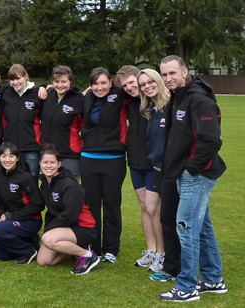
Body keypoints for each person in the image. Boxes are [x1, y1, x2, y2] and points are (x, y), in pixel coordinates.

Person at [158, 55, 227, 302]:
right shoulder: (179, 96)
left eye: (173, 73)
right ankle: (212, 279)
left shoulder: (199, 99)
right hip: (184, 173)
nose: (168, 79)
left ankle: (186, 287)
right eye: (164, 74)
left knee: (185, 229)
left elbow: (211, 140)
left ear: (185, 72)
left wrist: (191, 169)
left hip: (196, 176)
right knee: (202, 228)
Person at [80, 67, 131, 263]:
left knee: (111, 204)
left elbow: (138, 87)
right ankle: (94, 246)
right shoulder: (86, 98)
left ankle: (111, 248)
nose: (99, 87)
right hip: (88, 158)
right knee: (91, 205)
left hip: (114, 159)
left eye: (103, 83)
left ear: (111, 83)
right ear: (90, 84)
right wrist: (46, 87)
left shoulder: (121, 95)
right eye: (95, 83)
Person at [116, 65, 164, 270]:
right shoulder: (127, 101)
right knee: (144, 207)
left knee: (154, 208)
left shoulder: (157, 102)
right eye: (124, 85)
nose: (129, 87)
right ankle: (151, 250)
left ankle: (162, 253)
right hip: (135, 162)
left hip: (154, 163)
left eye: (132, 83)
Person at [141, 68, 182, 283]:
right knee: (165, 217)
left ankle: (174, 267)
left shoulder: (172, 106)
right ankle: (172, 266)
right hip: (157, 170)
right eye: (143, 84)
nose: (147, 86)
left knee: (174, 219)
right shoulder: (152, 109)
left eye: (150, 81)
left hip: (173, 172)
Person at [35, 144, 99, 275]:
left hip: (84, 228)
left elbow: (70, 216)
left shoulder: (69, 184)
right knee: (43, 261)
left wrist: (49, 231)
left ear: (59, 164)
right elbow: (51, 213)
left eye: (52, 162)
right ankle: (76, 249)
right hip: (66, 227)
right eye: (45, 162)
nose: (48, 166)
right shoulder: (45, 184)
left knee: (48, 239)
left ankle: (88, 255)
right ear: (40, 163)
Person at [0, 142, 45, 264]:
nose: (7, 160)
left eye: (11, 156)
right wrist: (3, 215)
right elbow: (0, 201)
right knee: (1, 255)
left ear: (18, 158)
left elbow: (38, 205)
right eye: (4, 156)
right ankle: (30, 240)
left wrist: (11, 216)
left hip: (30, 221)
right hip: (11, 219)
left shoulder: (26, 177)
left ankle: (28, 250)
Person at [39, 65, 83, 180]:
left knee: (70, 191)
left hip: (69, 155)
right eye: (56, 81)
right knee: (51, 192)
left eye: (64, 81)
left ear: (71, 81)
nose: (60, 85)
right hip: (48, 155)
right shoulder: (48, 96)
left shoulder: (79, 100)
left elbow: (85, 126)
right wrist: (41, 87)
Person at [1, 64, 42, 178]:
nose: (15, 82)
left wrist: (42, 87)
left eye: (18, 78)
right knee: (11, 184)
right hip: (10, 148)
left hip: (31, 148)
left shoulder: (36, 95)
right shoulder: (6, 93)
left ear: (26, 76)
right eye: (12, 80)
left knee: (32, 182)